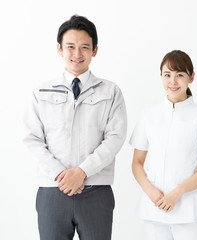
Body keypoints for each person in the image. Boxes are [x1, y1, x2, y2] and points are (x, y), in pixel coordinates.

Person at [23, 15, 127, 240]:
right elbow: (32, 139)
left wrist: (82, 172)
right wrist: (61, 174)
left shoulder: (110, 92)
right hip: (52, 191)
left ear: (95, 50)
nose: (77, 54)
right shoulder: (41, 92)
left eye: (84, 47)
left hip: (96, 192)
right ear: (59, 48)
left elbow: (115, 138)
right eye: (70, 47)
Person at [130, 50, 197, 240]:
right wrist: (150, 190)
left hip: (188, 210)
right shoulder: (148, 115)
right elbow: (137, 162)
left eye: (180, 75)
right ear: (161, 77)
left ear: (192, 77)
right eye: (167, 75)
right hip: (153, 209)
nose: (173, 81)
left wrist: (178, 192)